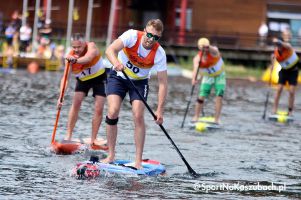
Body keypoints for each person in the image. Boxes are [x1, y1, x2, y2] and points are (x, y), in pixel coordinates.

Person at [103, 19, 168, 169]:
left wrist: (160, 110)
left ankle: (138, 161)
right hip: (118, 77)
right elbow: (109, 50)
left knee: (138, 115)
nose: (151, 39)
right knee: (112, 112)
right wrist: (116, 63)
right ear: (144, 30)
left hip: (139, 83)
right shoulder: (131, 36)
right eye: (149, 35)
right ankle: (111, 155)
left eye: (156, 37)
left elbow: (163, 83)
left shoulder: (159, 53)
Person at [57, 33, 107, 146]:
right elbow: (65, 78)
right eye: (74, 47)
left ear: (84, 44)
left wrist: (75, 60)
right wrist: (61, 96)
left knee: (99, 108)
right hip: (83, 80)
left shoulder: (91, 46)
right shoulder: (69, 57)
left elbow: (87, 58)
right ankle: (68, 136)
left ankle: (94, 139)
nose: (76, 49)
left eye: (79, 47)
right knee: (76, 103)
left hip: (99, 79)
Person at [191, 38, 226, 124]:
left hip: (219, 75)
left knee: (219, 95)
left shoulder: (213, 51)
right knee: (202, 95)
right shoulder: (197, 59)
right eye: (203, 48)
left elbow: (215, 50)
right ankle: (196, 116)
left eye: (207, 47)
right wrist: (194, 79)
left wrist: (207, 46)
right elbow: (195, 70)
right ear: (199, 48)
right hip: (208, 77)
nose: (206, 50)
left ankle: (217, 119)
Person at [272, 37, 299, 116]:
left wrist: (278, 41)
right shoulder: (276, 52)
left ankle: (290, 111)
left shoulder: (287, 47)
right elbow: (273, 58)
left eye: (279, 45)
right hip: (284, 71)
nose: (279, 47)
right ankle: (274, 109)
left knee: (291, 91)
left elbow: (287, 45)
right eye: (277, 45)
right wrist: (272, 65)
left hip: (293, 72)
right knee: (279, 89)